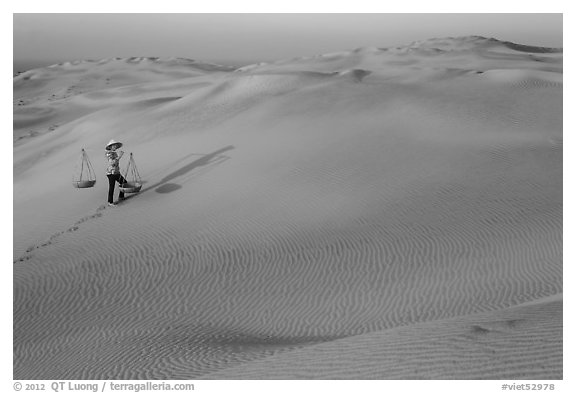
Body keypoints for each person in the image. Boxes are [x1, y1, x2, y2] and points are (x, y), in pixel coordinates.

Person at [105, 139, 126, 206]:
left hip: (116, 172)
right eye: (114, 145)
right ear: (110, 146)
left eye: (116, 145)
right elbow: (112, 163)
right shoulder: (109, 153)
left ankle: (121, 197)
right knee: (112, 187)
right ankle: (110, 202)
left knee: (124, 182)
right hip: (111, 173)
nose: (115, 147)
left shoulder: (114, 153)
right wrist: (119, 156)